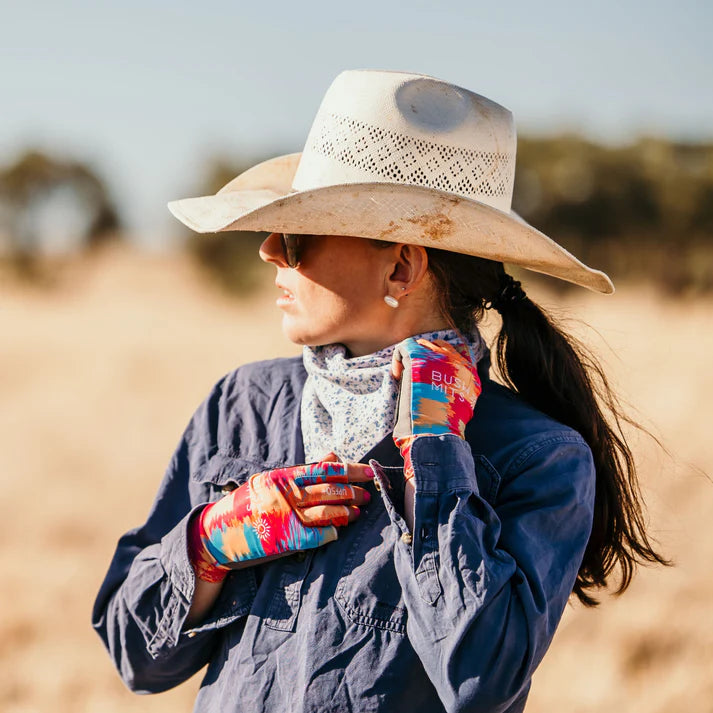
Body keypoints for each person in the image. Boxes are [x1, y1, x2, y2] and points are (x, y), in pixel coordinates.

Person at [93, 69, 666, 712]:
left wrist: (435, 448)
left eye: (298, 234)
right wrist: (208, 545)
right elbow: (132, 653)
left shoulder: (538, 456)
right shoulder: (243, 406)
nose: (269, 252)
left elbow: (481, 680)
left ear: (400, 265)